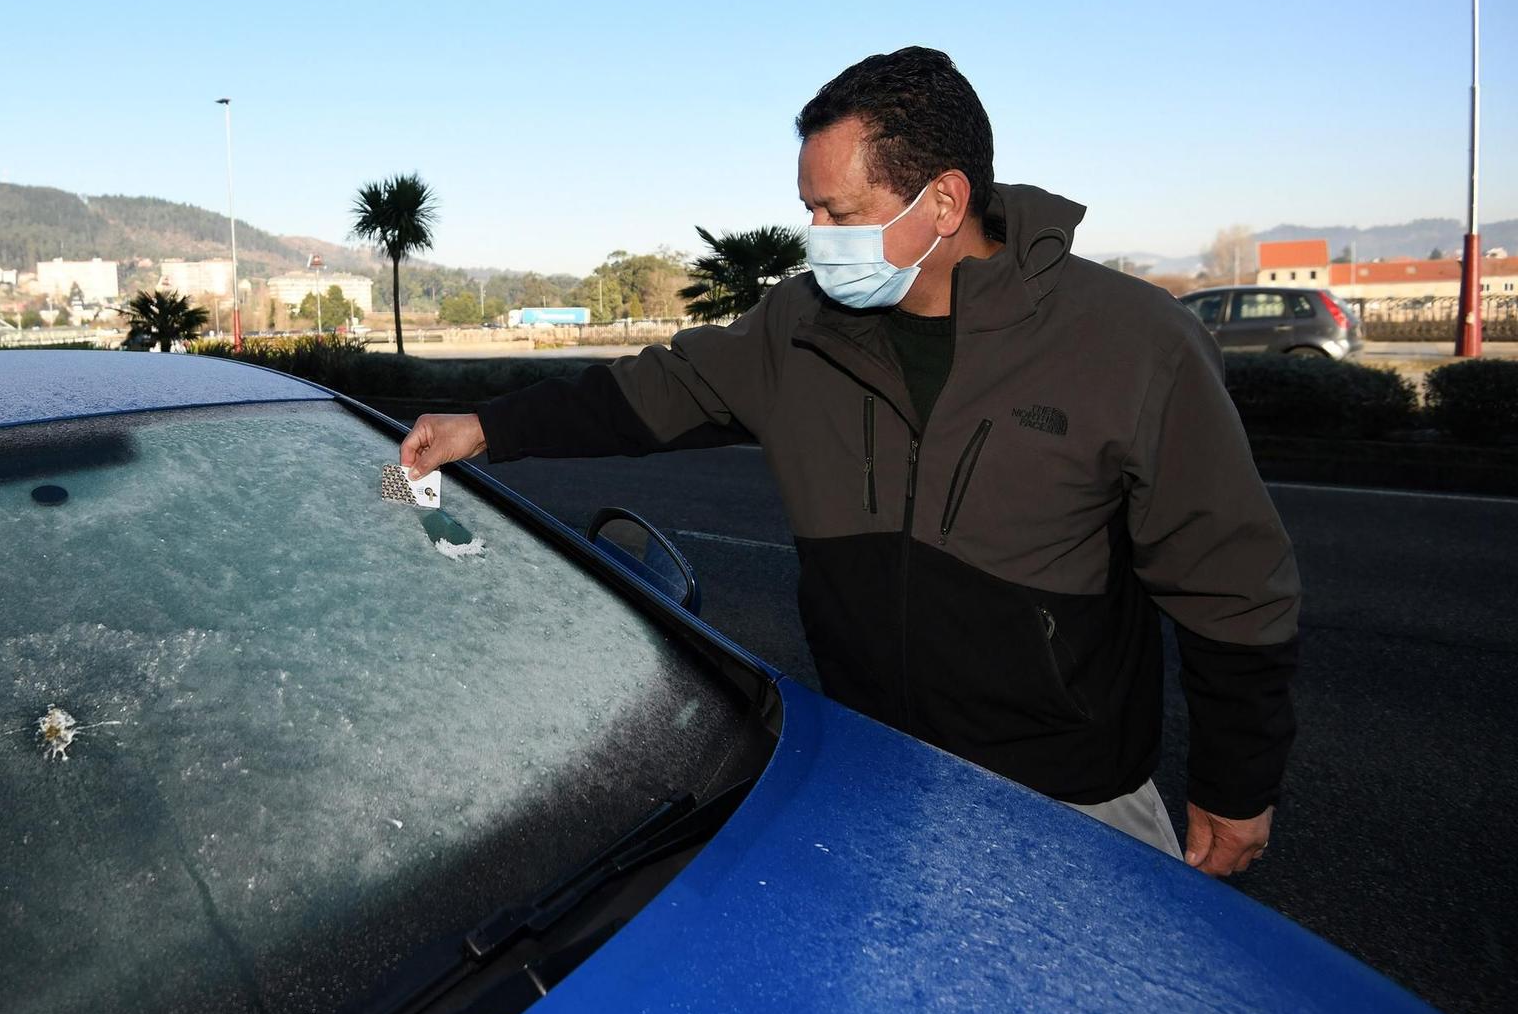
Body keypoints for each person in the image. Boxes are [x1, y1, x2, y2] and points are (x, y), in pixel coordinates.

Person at [399, 46, 1298, 875]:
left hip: (1069, 800)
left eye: (841, 212)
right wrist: (484, 424)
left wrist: (1236, 780)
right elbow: (657, 391)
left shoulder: (1132, 343)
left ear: (944, 201)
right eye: (809, 211)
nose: (818, 236)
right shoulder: (802, 327)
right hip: (875, 778)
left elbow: (1230, 579)